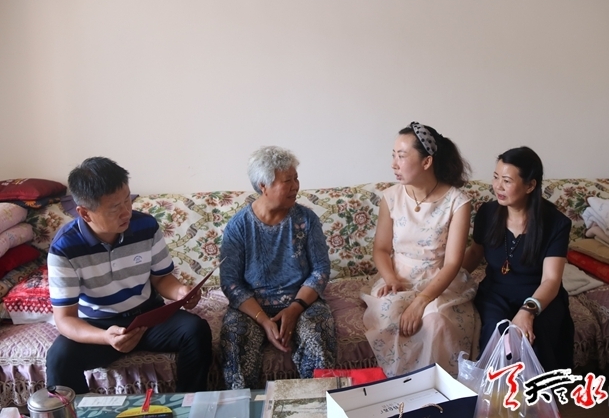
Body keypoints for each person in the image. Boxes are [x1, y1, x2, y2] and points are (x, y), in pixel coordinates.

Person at [46, 157, 212, 394]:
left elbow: (161, 279)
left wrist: (180, 292)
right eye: (115, 208)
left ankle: (189, 403)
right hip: (99, 325)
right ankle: (79, 410)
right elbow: (65, 319)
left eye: (127, 200)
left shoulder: (146, 226)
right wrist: (106, 337)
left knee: (195, 330)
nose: (126, 212)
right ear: (85, 213)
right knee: (59, 358)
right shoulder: (64, 248)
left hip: (147, 317)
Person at [361, 122, 479, 378]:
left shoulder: (457, 202)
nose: (394, 164)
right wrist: (390, 278)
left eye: (402, 156)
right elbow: (381, 249)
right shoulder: (391, 197)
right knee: (389, 315)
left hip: (440, 282)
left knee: (436, 322)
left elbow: (452, 263)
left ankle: (438, 392)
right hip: (399, 277)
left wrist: (421, 301)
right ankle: (402, 391)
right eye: (393, 155)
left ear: (427, 162)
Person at [219, 146, 336, 389]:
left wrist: (294, 309)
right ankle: (244, 406)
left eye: (296, 178)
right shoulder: (239, 226)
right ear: (264, 185)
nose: (295, 186)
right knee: (235, 339)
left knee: (318, 333)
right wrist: (264, 320)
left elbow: (320, 270)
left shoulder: (306, 220)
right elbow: (230, 283)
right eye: (287, 181)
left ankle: (318, 404)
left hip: (302, 302)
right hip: (252, 308)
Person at [462, 146, 574, 371]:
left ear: (530, 185)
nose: (497, 186)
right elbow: (474, 253)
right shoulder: (487, 213)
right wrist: (447, 278)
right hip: (496, 293)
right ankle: (495, 389)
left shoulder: (556, 223)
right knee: (497, 330)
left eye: (506, 181)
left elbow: (551, 280)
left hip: (538, 295)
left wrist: (528, 311)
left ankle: (538, 391)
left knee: (534, 335)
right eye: (496, 177)